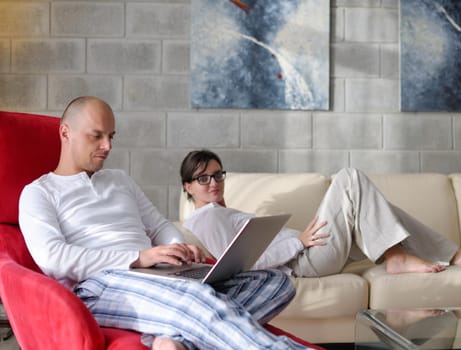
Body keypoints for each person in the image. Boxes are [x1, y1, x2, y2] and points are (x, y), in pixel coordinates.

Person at [18, 96, 312, 350]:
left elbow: (158, 227)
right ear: (65, 132)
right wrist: (138, 258)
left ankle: (178, 342)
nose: (107, 146)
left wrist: (177, 249)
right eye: (96, 136)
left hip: (159, 275)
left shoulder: (120, 180)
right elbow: (53, 259)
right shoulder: (39, 193)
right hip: (101, 285)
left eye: (112, 135)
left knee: (275, 282)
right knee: (195, 297)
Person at [180, 149, 461, 278]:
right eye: (203, 178)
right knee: (350, 178)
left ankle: (452, 255)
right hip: (304, 260)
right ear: (188, 186)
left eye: (218, 175)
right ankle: (405, 258)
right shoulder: (205, 218)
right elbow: (243, 264)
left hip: (308, 252)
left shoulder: (219, 212)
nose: (214, 183)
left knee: (382, 210)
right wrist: (301, 242)